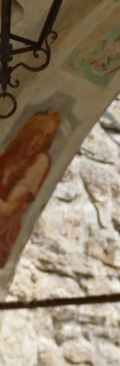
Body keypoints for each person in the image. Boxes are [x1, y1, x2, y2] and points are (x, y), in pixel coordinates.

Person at [0, 108, 61, 268]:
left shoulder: (40, 161)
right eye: (38, 133)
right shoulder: (9, 156)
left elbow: (7, 210)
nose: (39, 141)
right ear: (28, 131)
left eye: (46, 137)